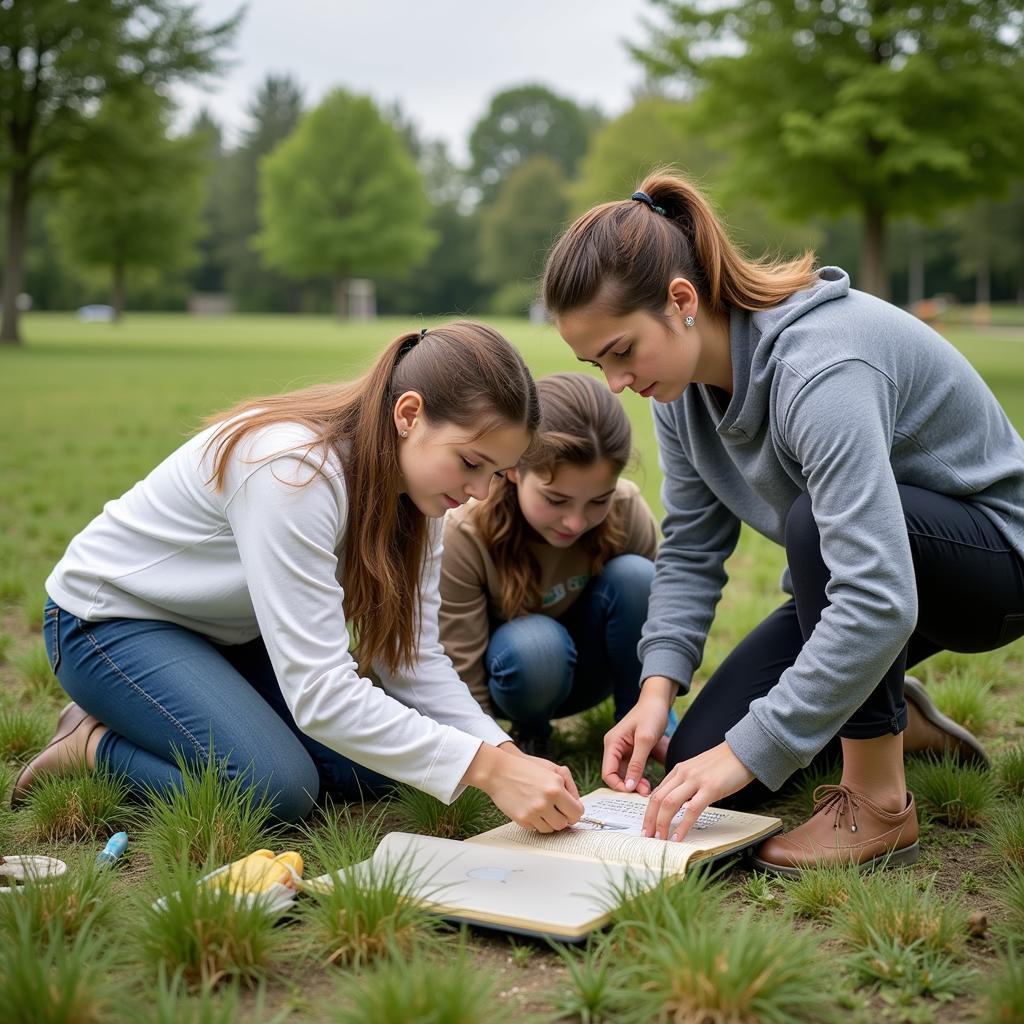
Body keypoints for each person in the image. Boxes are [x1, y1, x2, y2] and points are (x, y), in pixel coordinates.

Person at [541, 172, 1024, 874]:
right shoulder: (676, 392)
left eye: (621, 351)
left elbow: (877, 598)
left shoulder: (820, 368)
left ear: (681, 300)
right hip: (872, 573)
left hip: (994, 564)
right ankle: (893, 714)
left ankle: (878, 800)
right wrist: (655, 695)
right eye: (596, 363)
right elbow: (691, 549)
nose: (614, 382)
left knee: (809, 534)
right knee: (703, 755)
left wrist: (750, 748)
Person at [16, 322, 585, 833]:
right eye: (470, 463)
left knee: (395, 768)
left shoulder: (422, 497)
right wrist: (487, 769)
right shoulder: (292, 470)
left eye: (495, 473)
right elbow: (320, 694)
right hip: (110, 624)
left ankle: (196, 713)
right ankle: (93, 744)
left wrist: (504, 755)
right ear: (409, 415)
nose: (480, 492)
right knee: (276, 789)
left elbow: (412, 660)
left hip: (228, 635)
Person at [439, 371, 670, 760]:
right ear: (513, 469)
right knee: (538, 643)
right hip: (517, 678)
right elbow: (459, 667)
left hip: (590, 672)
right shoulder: (466, 530)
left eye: (598, 500)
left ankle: (639, 727)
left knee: (638, 577)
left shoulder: (626, 508)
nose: (576, 522)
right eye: (556, 500)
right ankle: (531, 734)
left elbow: (660, 617)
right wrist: (493, 757)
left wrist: (659, 706)